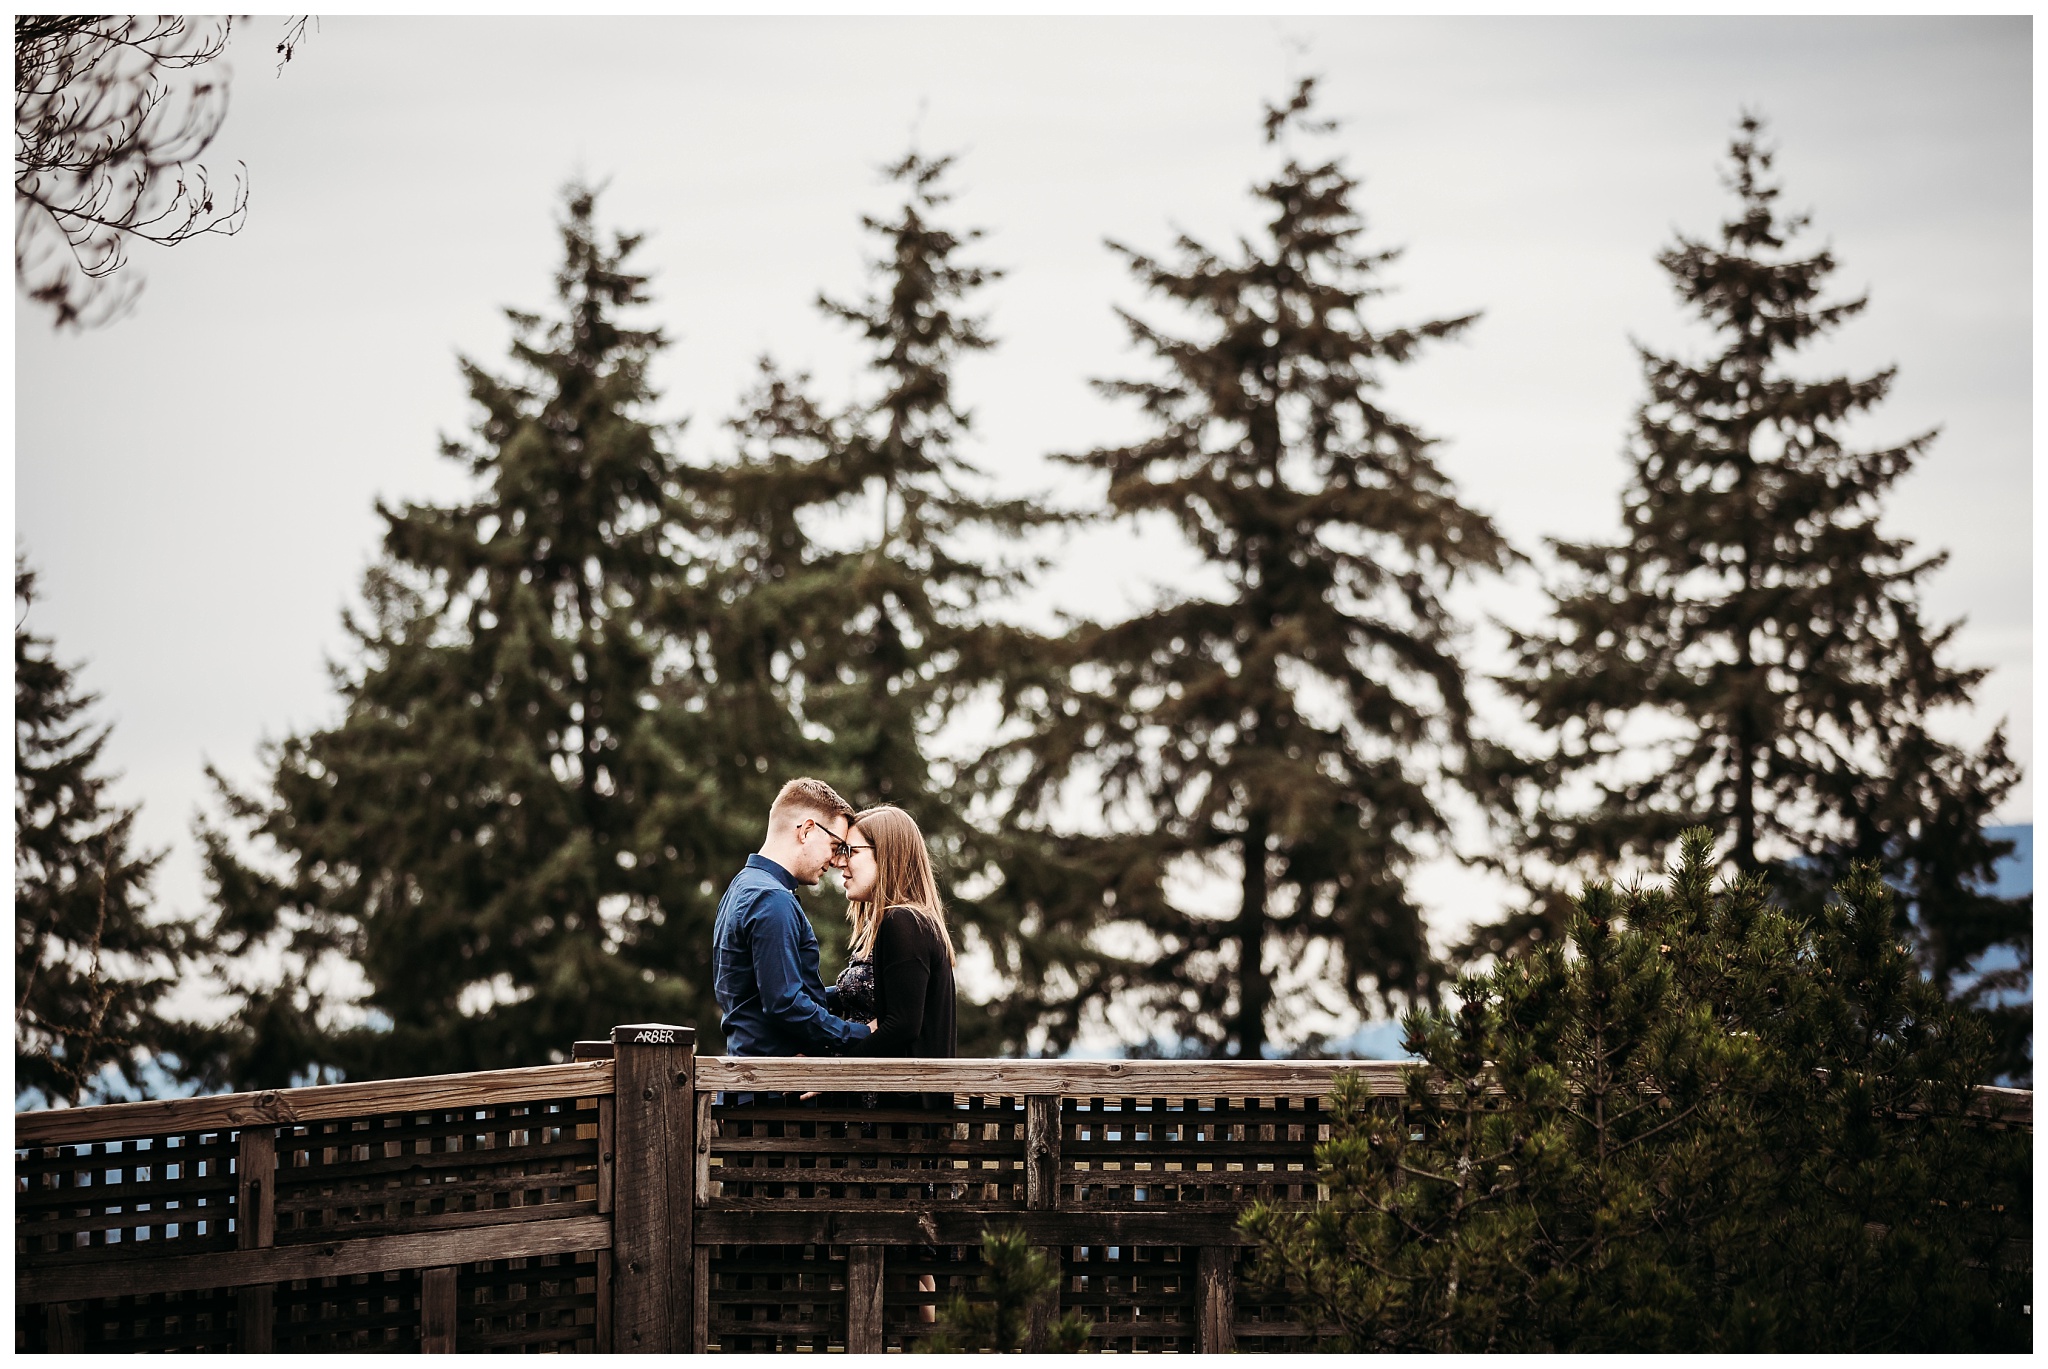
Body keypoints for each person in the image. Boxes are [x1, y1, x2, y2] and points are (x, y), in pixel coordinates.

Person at [713, 777, 873, 1058]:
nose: (837, 862)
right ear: (807, 830)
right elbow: (785, 1002)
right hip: (773, 1091)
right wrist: (863, 1034)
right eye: (835, 846)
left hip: (753, 1079)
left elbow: (768, 992)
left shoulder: (743, 886)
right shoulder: (771, 899)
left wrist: (853, 991)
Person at [830, 804, 958, 1070]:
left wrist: (836, 1072)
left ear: (887, 855)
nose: (839, 862)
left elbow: (903, 1026)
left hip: (898, 1103)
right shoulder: (897, 922)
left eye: (851, 851)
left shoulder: (904, 922)